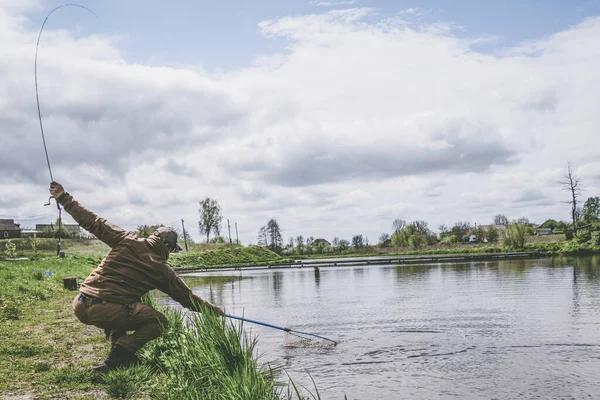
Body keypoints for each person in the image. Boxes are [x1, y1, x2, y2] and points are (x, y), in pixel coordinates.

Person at [49, 181, 222, 372]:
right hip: (104, 310)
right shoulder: (161, 269)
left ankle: (124, 355)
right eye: (172, 250)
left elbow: (92, 221)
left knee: (129, 301)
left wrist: (64, 198)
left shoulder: (126, 238)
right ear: (168, 248)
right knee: (159, 321)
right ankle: (117, 359)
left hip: (80, 304)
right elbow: (187, 299)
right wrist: (213, 311)